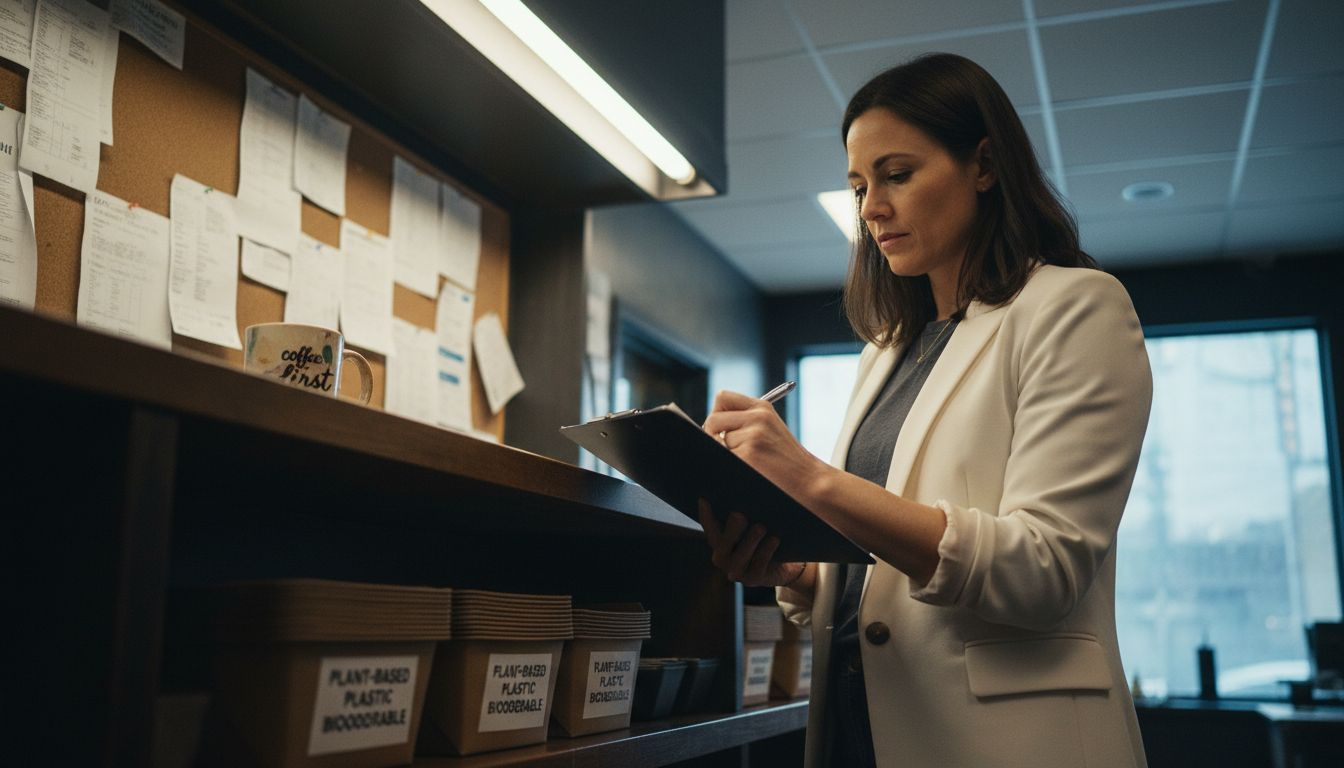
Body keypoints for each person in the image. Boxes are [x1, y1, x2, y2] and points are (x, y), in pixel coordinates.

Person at [699, 53, 1152, 768]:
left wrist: (812, 482)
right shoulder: (887, 351)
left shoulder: (1075, 307)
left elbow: (1045, 570)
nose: (871, 206)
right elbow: (884, 583)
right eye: (858, 185)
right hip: (860, 726)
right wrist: (798, 570)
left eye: (896, 174)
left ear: (984, 165)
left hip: (1004, 743)